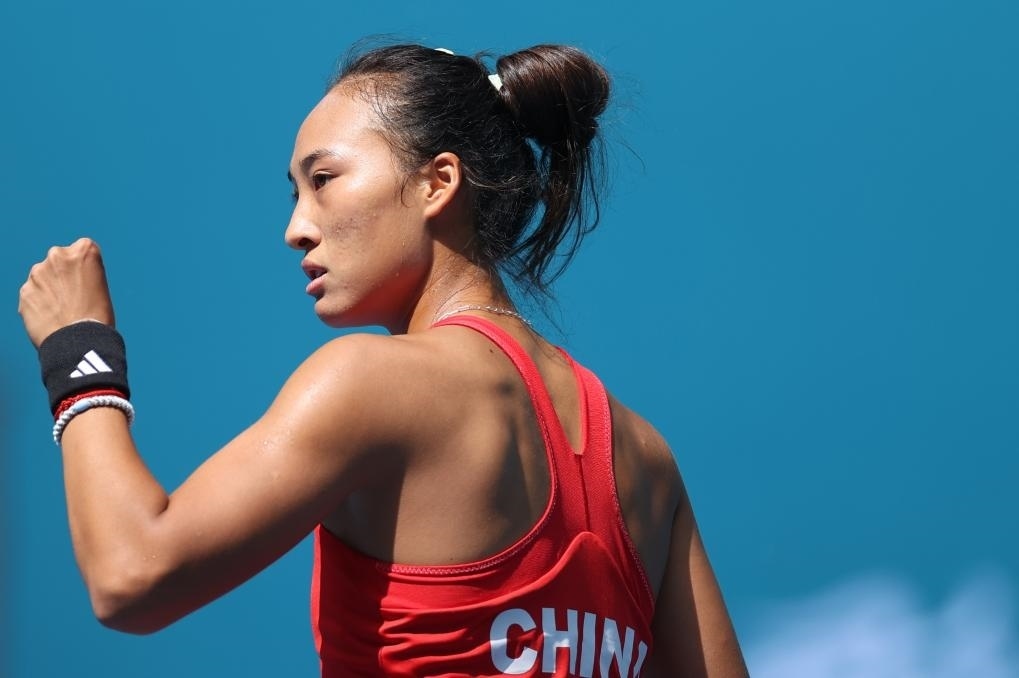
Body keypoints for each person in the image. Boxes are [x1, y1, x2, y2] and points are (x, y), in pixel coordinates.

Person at [18, 43, 748, 677]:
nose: (296, 229)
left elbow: (132, 576)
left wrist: (78, 348)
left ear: (437, 182)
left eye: (323, 179)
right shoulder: (645, 459)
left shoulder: (369, 383)